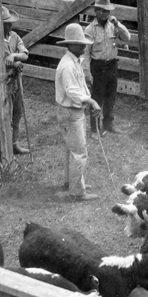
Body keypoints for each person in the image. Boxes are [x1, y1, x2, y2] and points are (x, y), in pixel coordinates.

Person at [54, 23, 101, 202]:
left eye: (83, 43)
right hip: (70, 111)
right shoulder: (67, 66)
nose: (83, 46)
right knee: (79, 152)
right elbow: (72, 91)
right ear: (70, 45)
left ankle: (72, 183)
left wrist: (87, 99)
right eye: (79, 43)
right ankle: (77, 191)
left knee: (72, 150)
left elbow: (78, 88)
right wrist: (90, 100)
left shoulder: (75, 61)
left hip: (74, 110)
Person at [83, 0, 131, 137]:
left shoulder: (113, 26)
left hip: (112, 65)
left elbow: (127, 37)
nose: (105, 14)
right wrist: (87, 73)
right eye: (102, 11)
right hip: (98, 67)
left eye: (107, 11)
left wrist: (117, 24)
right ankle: (94, 129)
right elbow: (85, 54)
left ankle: (108, 124)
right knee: (97, 98)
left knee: (111, 96)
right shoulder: (90, 30)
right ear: (96, 11)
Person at [1, 6, 30, 155]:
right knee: (5, 114)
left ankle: (14, 143)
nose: (11, 25)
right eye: (7, 23)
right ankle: (4, 145)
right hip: (3, 84)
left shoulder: (15, 36)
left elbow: (25, 54)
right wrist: (13, 62)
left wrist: (14, 57)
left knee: (17, 113)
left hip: (16, 80)